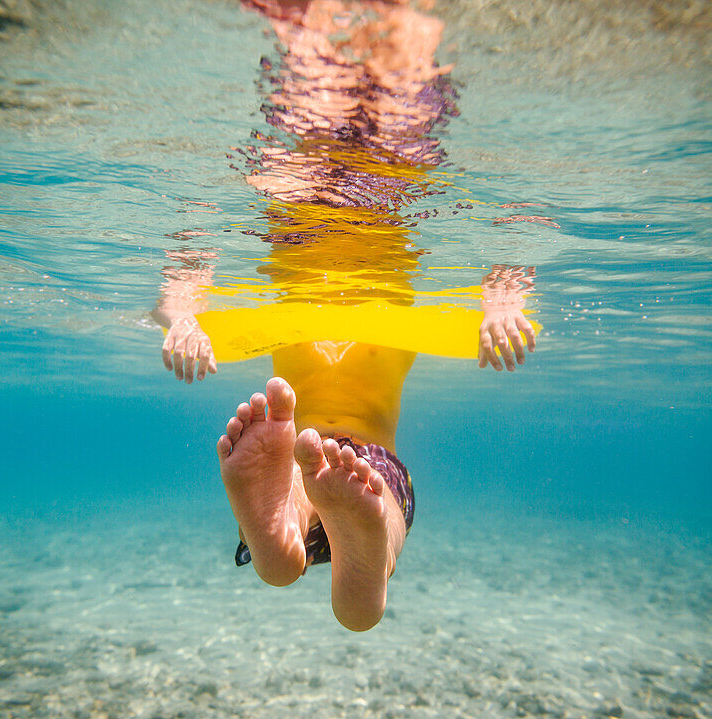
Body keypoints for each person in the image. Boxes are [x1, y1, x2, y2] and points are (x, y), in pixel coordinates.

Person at [152, 0, 538, 631]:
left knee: (318, 473)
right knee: (377, 496)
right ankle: (357, 557)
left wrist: (185, 315)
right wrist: (499, 303)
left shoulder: (288, 205)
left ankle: (284, 540)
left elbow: (185, 281)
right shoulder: (398, 248)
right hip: (365, 463)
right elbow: (503, 271)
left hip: (296, 451)